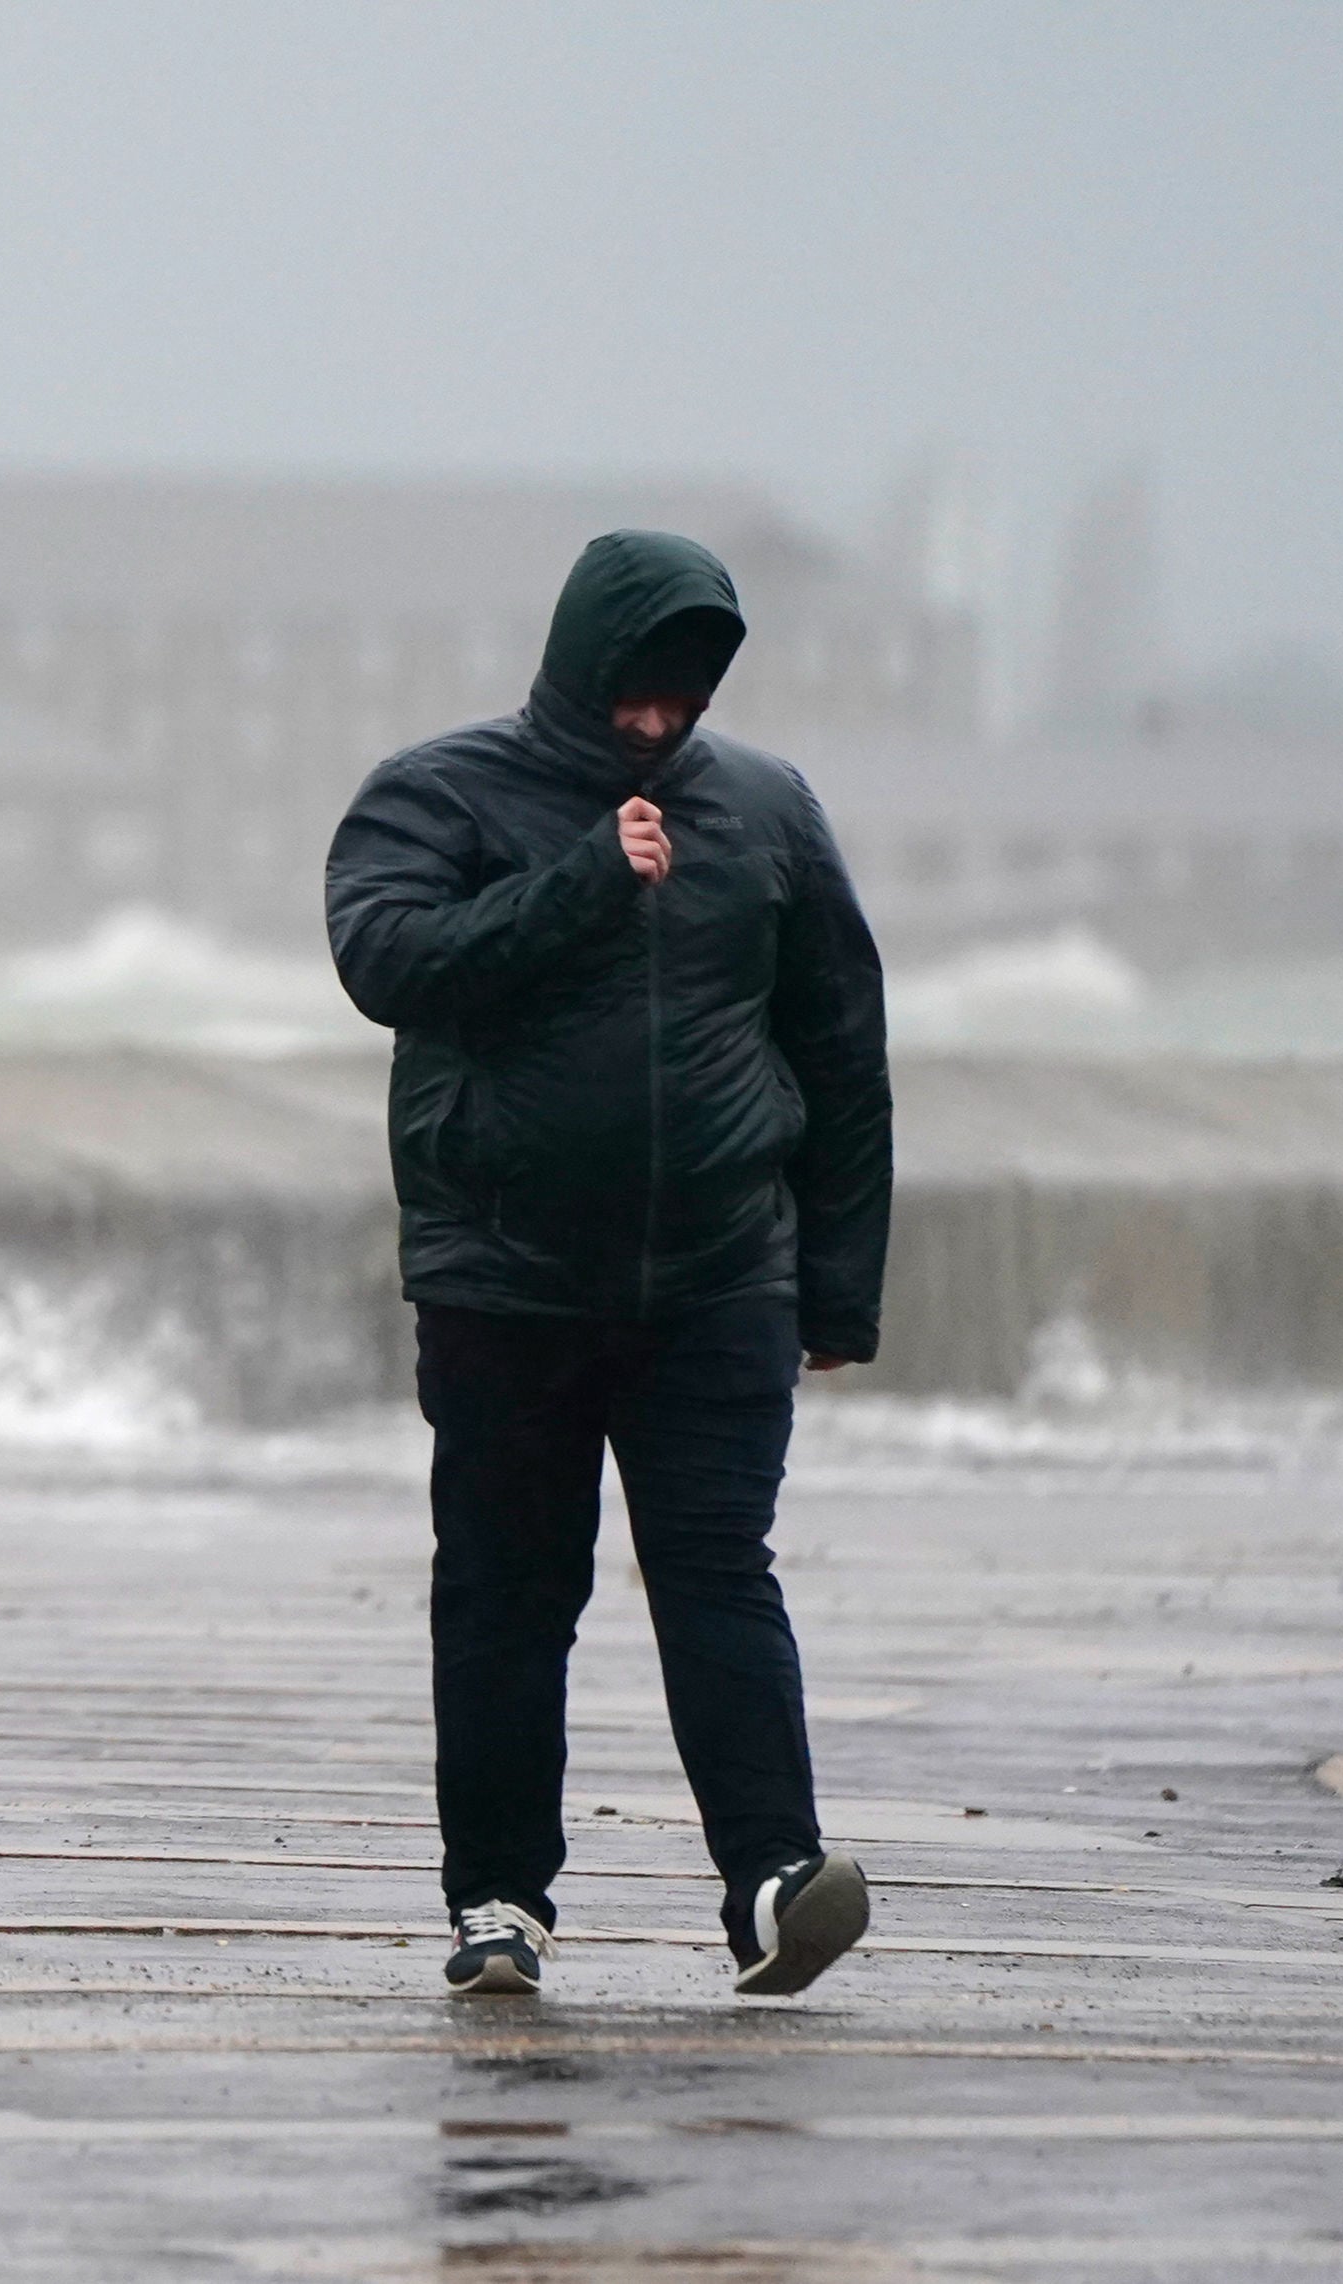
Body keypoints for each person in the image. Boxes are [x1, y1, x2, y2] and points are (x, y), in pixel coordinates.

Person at [325, 530, 890, 2000]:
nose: (656, 720)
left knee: (718, 1570)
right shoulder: (436, 793)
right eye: (632, 692)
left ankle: (774, 1880)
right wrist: (586, 879)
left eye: (683, 695)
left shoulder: (767, 809)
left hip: (719, 1278)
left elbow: (839, 1050)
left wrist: (836, 1288)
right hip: (504, 1278)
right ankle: (499, 1900)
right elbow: (386, 963)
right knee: (511, 1591)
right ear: (577, 668)